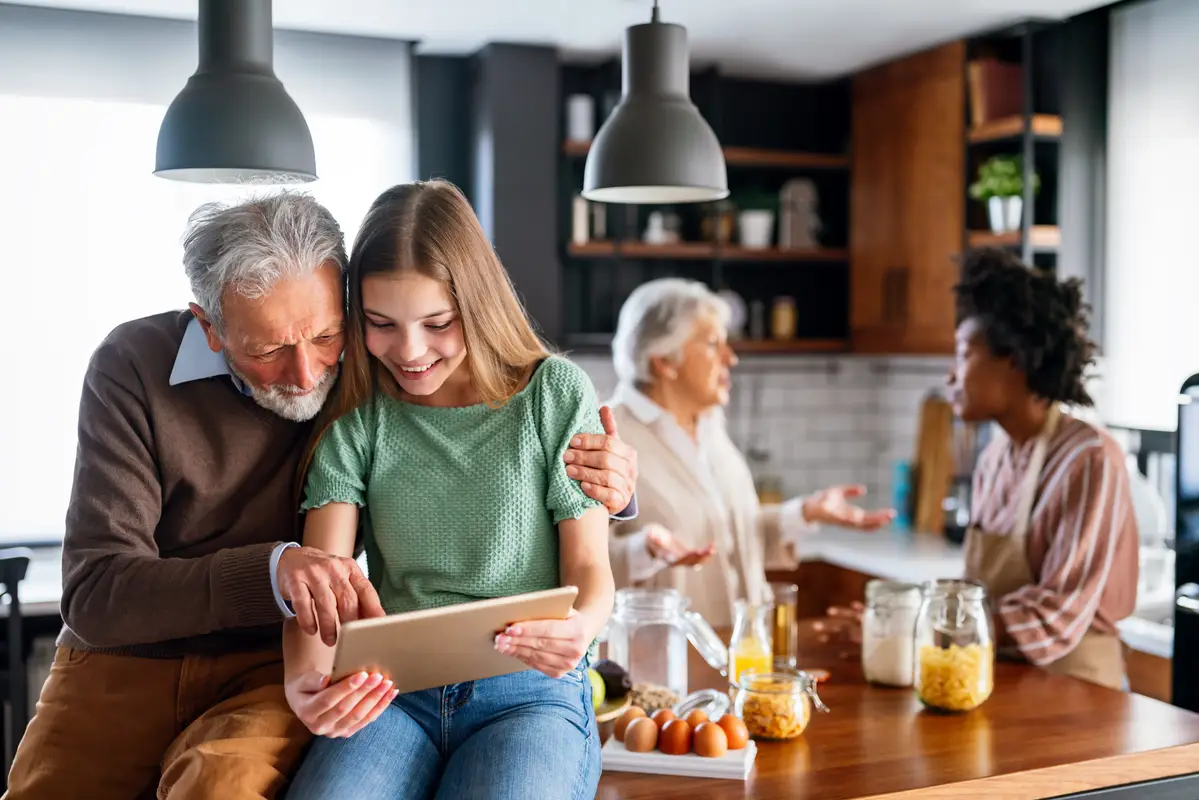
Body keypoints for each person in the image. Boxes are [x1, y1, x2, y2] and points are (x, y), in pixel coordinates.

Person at [4, 191, 638, 799]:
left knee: (222, 787)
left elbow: (532, 483)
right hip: (131, 657)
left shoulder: (369, 374)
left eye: (326, 337)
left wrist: (613, 488)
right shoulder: (139, 367)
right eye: (270, 349)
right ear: (211, 328)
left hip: (266, 667)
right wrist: (279, 579)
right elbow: (93, 593)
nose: (305, 373)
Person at [280, 180, 611, 800]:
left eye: (437, 323)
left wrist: (582, 627)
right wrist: (306, 680)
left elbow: (591, 567)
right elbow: (320, 581)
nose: (408, 352)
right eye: (381, 324)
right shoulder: (360, 417)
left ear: (478, 305)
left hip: (529, 691)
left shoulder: (554, 394)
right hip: (391, 692)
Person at [819, 248, 1138, 689]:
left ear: (1016, 362)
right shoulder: (994, 458)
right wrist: (900, 617)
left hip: (1078, 693)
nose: (950, 376)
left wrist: (919, 628)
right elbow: (976, 595)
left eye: (965, 355)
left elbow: (1055, 615)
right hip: (998, 682)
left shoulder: (1089, 459)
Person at [606, 278, 895, 628]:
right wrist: (646, 550)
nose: (731, 357)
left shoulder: (710, 427)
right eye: (714, 344)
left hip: (743, 649)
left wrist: (803, 513)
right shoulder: (609, 436)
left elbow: (730, 532)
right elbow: (579, 564)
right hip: (666, 658)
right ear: (664, 361)